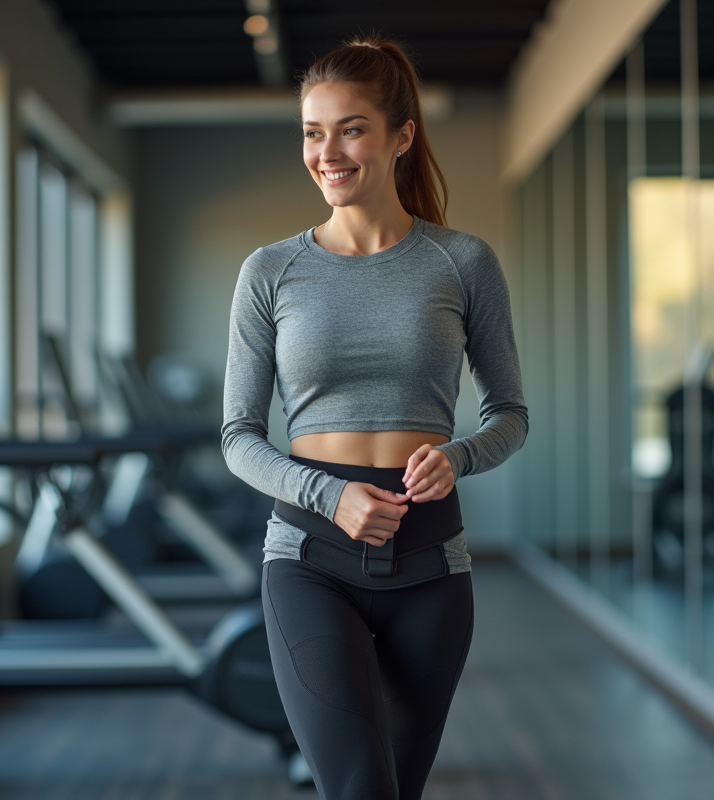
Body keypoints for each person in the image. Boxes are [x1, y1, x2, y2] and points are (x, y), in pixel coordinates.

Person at [221, 35, 528, 800]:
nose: (328, 152)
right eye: (312, 131)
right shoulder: (270, 271)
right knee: (359, 787)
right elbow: (237, 436)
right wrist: (330, 495)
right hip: (309, 557)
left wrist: (458, 457)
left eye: (350, 128)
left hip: (432, 565)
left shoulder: (462, 262)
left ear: (401, 136)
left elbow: (510, 413)